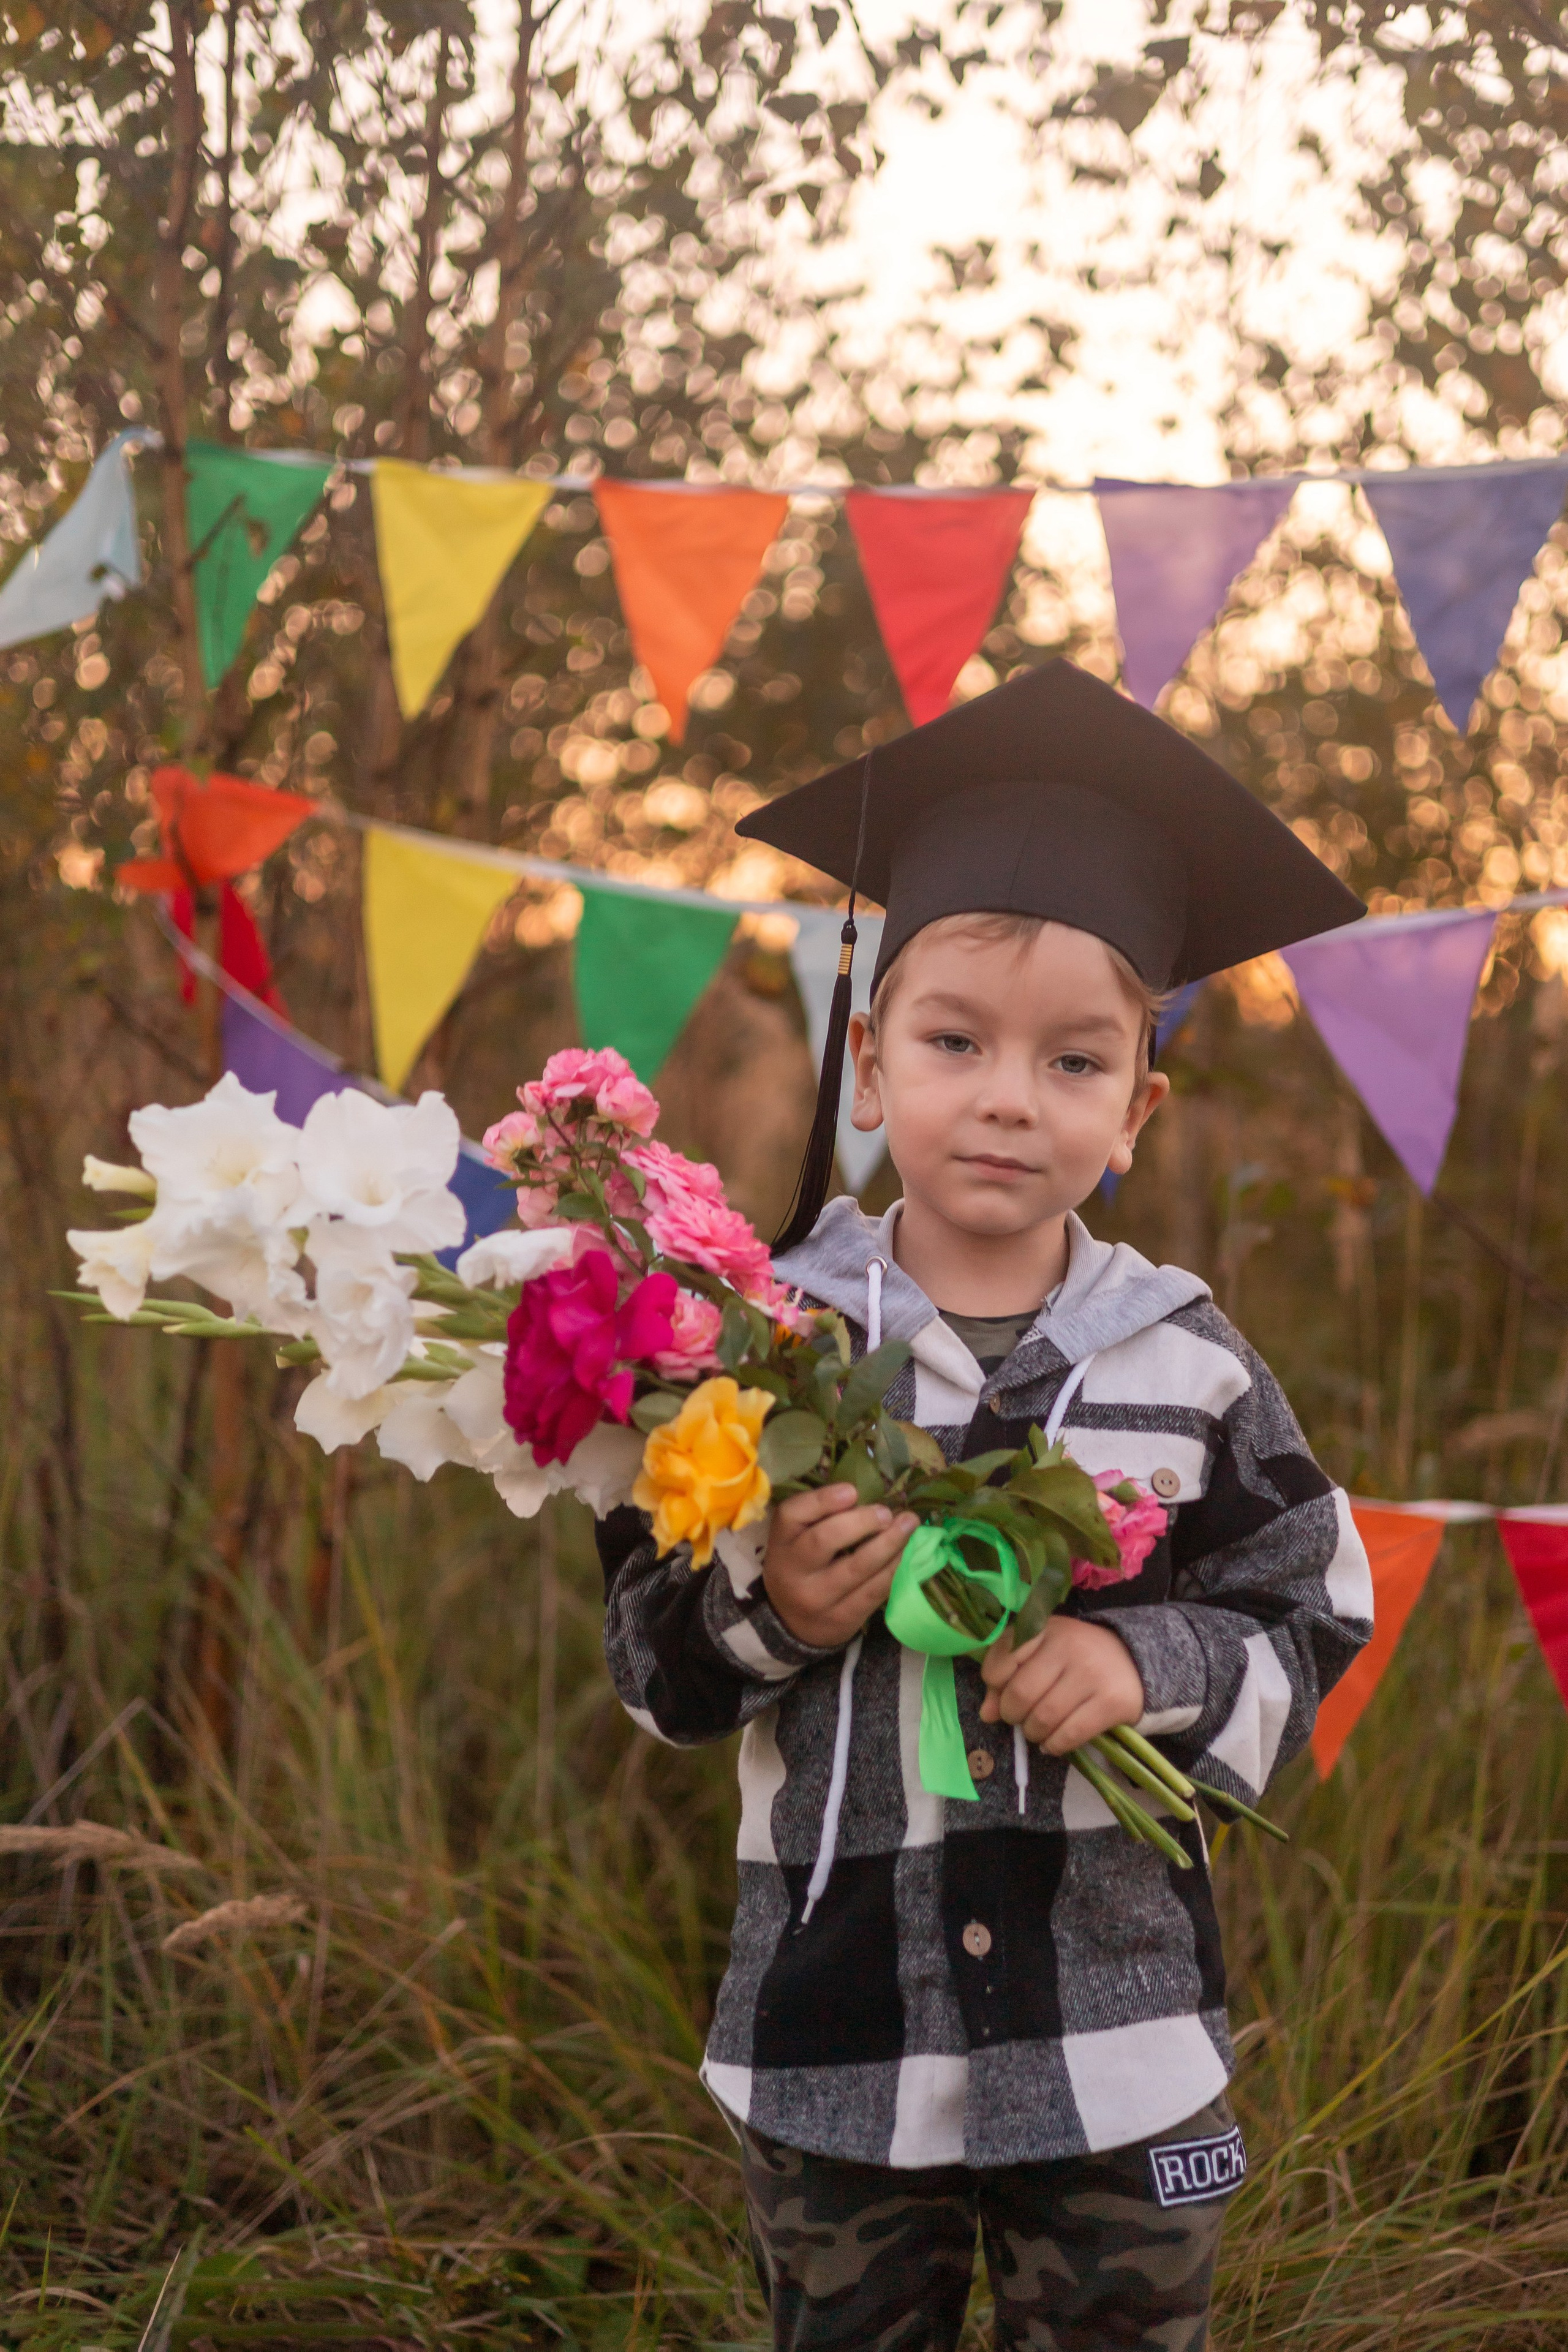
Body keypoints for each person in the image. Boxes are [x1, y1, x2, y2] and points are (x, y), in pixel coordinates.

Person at [597, 658, 1374, 2351]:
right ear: (867, 1063)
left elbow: (1314, 1606)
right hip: (834, 2047)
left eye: (1075, 1062)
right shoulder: (759, 1344)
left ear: (1132, 1116)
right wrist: (778, 1612)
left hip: (1119, 2044)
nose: (1011, 1093)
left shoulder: (1190, 1363)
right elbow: (651, 1661)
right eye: (956, 1042)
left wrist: (1150, 1666)